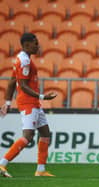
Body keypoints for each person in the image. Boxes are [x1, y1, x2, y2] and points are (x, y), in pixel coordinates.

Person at [0, 33, 57, 177]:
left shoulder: (21, 58)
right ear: (26, 45)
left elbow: (13, 82)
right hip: (28, 103)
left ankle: (41, 170)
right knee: (28, 136)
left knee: (45, 133)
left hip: (33, 103)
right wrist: (43, 96)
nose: (38, 46)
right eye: (35, 43)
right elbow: (23, 85)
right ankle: (2, 164)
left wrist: (7, 102)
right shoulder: (24, 61)